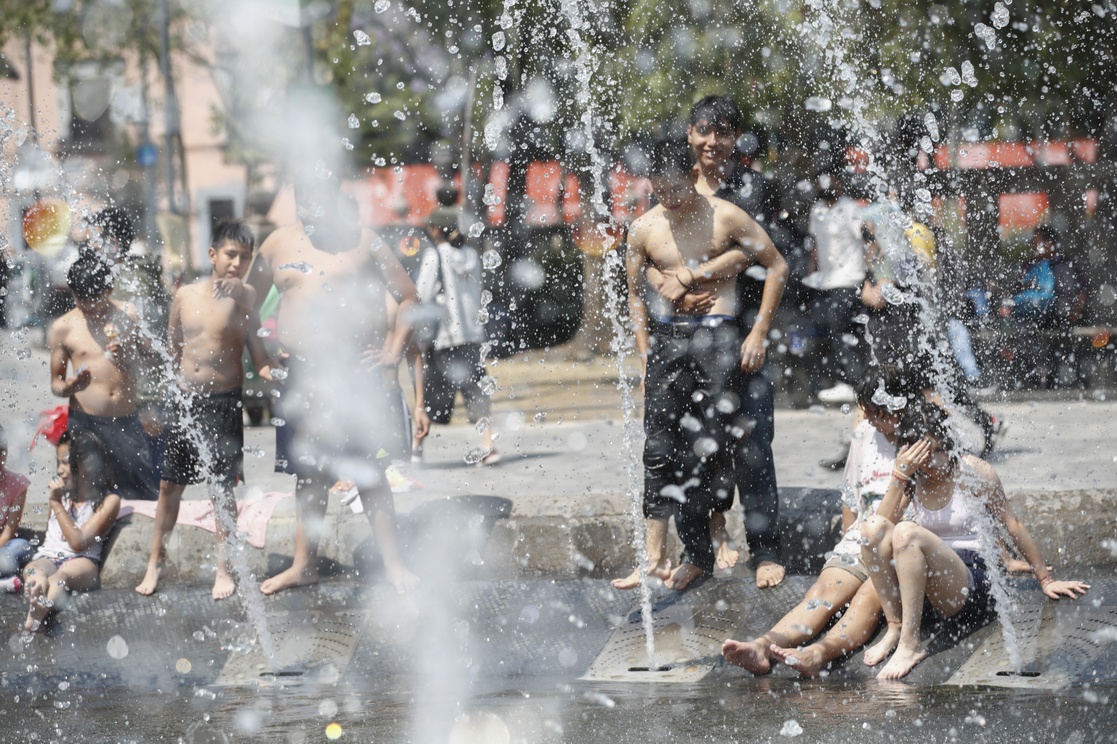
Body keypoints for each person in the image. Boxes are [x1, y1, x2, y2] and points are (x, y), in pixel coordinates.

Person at [614, 138, 787, 592]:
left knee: (733, 445)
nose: (670, 198)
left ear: (692, 176)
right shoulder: (645, 227)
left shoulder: (724, 214)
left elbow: (777, 265)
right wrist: (644, 345)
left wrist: (758, 331)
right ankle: (695, 554)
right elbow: (633, 290)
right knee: (671, 447)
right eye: (660, 190)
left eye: (676, 188)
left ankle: (764, 550)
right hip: (671, 342)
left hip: (720, 337)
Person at [245, 175, 420, 595]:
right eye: (302, 195)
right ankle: (304, 565)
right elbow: (246, 301)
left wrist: (394, 351)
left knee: (371, 472)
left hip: (354, 376)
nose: (310, 204)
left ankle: (395, 567)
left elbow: (409, 296)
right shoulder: (276, 245)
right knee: (308, 475)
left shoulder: (363, 241)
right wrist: (261, 357)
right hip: (302, 375)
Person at [860, 404, 1090, 680]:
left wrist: (1045, 579)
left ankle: (910, 645)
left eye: (935, 451)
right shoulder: (913, 477)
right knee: (873, 527)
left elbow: (1011, 523)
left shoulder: (973, 472)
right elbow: (878, 532)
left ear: (948, 443)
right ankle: (896, 626)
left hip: (970, 581)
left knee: (906, 532)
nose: (929, 461)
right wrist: (899, 475)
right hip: (924, 584)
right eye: (922, 454)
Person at [721, 364, 918, 677]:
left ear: (905, 406)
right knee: (822, 592)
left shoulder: (921, 442)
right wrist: (845, 546)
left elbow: (907, 513)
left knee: (866, 598)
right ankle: (762, 646)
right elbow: (851, 496)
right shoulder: (867, 433)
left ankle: (818, 654)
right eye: (871, 414)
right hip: (863, 538)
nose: (877, 422)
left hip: (901, 544)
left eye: (883, 414)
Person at [135, 219, 276, 600]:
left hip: (224, 402)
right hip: (185, 402)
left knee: (221, 490)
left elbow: (259, 356)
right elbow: (172, 353)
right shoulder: (184, 297)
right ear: (213, 254)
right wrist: (157, 402)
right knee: (169, 486)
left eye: (245, 257)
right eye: (231, 254)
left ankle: (224, 567)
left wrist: (276, 370)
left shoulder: (246, 300)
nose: (237, 262)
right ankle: (155, 560)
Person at [682, 95, 786, 588]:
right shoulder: (675, 191)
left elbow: (767, 254)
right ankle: (701, 544)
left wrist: (760, 329)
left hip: (744, 332)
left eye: (722, 132)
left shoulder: (754, 190)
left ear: (734, 139)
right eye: (704, 131)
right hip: (686, 338)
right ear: (690, 135)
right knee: (694, 443)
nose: (712, 142)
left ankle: (766, 550)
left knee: (753, 443)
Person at [49, 251, 159, 500]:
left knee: (144, 495)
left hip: (127, 422)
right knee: (86, 497)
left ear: (108, 290)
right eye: (81, 303)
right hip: (86, 425)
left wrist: (127, 357)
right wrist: (72, 385)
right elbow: (55, 384)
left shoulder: (128, 315)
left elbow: (152, 364)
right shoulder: (63, 328)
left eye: (94, 303)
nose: (89, 310)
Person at [412, 188, 498, 465]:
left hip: (444, 337)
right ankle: (488, 447)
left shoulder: (434, 256)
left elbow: (420, 296)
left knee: (430, 395)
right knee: (476, 391)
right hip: (472, 335)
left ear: (436, 230)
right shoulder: (472, 255)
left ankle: (416, 450)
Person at [22, 431, 122, 632]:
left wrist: (56, 504)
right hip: (48, 557)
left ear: (86, 465)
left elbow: (78, 542)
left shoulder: (108, 501)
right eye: (58, 463)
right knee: (33, 569)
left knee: (61, 577)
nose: (59, 470)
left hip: (82, 562)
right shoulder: (63, 497)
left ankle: (34, 619)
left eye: (65, 463)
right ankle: (37, 590)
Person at [805, 172, 866, 404]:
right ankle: (844, 381)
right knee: (832, 332)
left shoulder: (848, 208)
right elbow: (814, 246)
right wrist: (811, 276)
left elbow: (866, 237)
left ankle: (851, 383)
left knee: (842, 332)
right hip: (826, 282)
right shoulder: (817, 210)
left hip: (849, 279)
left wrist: (869, 278)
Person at [0, 424, 32, 582]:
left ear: (4, 455)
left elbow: (8, 532)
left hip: (2, 548)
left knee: (22, 546)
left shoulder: (16, 484)